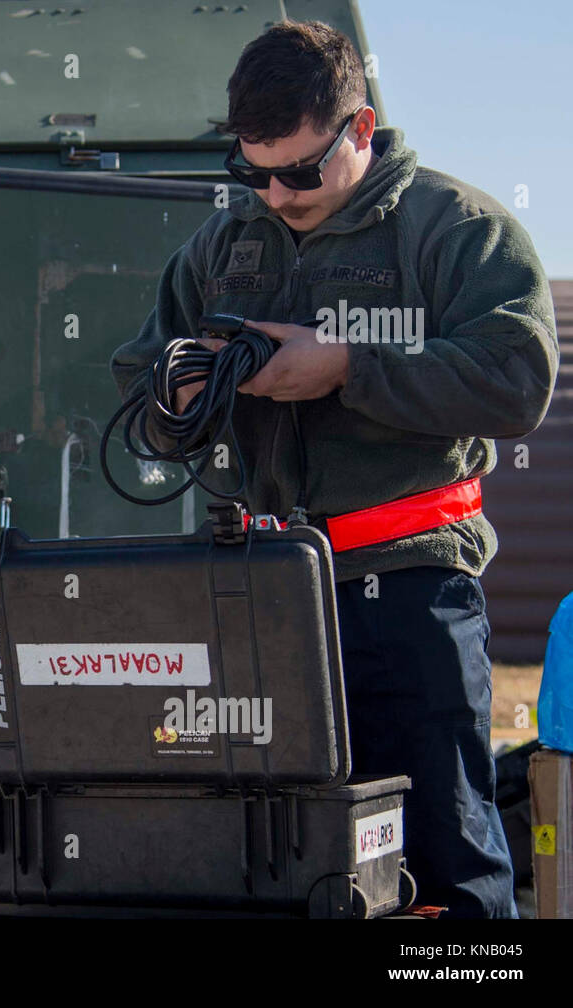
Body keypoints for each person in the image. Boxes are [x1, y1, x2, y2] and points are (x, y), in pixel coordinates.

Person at [110, 19, 558, 918]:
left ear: (360, 128)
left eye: (301, 171)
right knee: (281, 863)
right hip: (259, 599)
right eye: (254, 171)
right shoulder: (223, 247)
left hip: (408, 593)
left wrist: (351, 367)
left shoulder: (454, 228)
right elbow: (141, 386)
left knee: (446, 864)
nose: (276, 193)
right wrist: (179, 398)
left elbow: (517, 380)